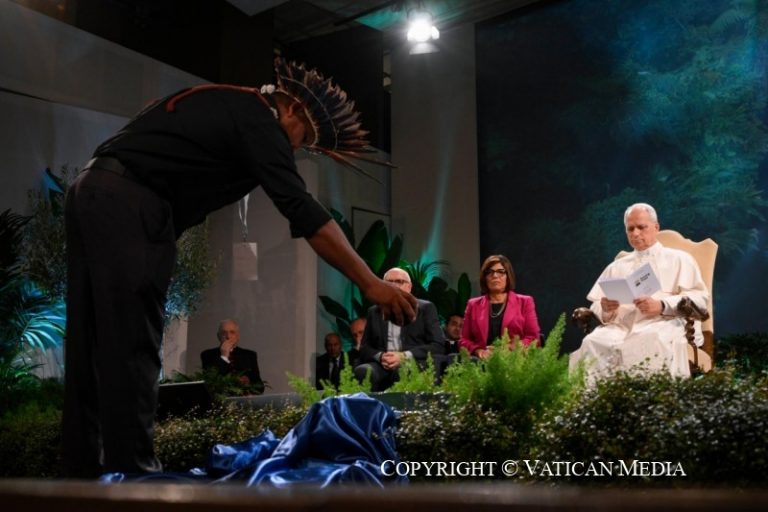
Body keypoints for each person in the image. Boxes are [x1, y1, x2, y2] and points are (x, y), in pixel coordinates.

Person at [61, 58, 417, 478]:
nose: (295, 149)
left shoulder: (229, 106)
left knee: (88, 345)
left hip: (90, 191)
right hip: (130, 204)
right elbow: (301, 208)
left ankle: (80, 474)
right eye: (303, 137)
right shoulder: (260, 121)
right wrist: (370, 283)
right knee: (133, 347)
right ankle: (133, 476)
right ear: (291, 108)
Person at [569, 203, 708, 384]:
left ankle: (648, 399)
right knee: (593, 342)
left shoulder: (679, 259)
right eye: (630, 228)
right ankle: (597, 401)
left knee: (646, 341)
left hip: (662, 323)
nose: (635, 233)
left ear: (656, 227)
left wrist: (662, 305)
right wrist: (605, 309)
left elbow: (700, 299)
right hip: (621, 328)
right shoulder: (616, 266)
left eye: (641, 227)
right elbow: (596, 305)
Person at [355, 268, 445, 391]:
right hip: (382, 364)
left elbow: (438, 345)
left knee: (402, 371)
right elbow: (365, 348)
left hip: (413, 362)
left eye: (399, 282)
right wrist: (381, 356)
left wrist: (403, 356)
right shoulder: (374, 311)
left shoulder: (425, 308)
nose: (394, 286)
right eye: (389, 282)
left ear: (409, 287)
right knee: (363, 371)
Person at [459, 255, 540, 358]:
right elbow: (464, 340)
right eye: (490, 272)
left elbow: (533, 338)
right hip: (482, 362)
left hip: (515, 360)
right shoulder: (473, 304)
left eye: (501, 272)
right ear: (485, 277)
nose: (495, 275)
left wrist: (508, 348)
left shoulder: (525, 302)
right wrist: (479, 351)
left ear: (508, 275)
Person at [201, 319, 264, 393]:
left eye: (232, 332)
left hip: (243, 397)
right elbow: (210, 383)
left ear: (238, 336)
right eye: (224, 333)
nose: (228, 336)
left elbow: (260, 387)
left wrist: (248, 382)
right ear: (218, 336)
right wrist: (224, 356)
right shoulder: (207, 355)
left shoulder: (249, 355)